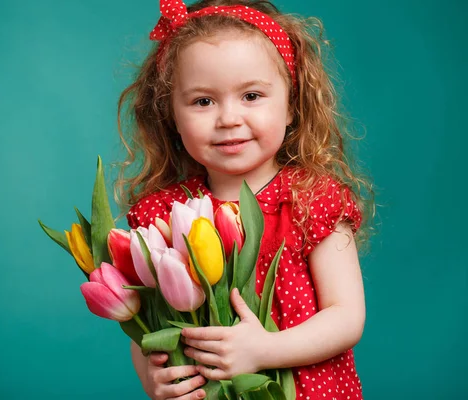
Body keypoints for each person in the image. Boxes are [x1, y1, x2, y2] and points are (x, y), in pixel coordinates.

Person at [115, 0, 373, 399]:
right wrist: (154, 379)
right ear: (171, 116)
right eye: (203, 101)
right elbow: (149, 324)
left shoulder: (312, 201)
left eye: (251, 96)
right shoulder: (165, 214)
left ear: (292, 105)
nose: (229, 118)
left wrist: (264, 350)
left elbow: (346, 317)